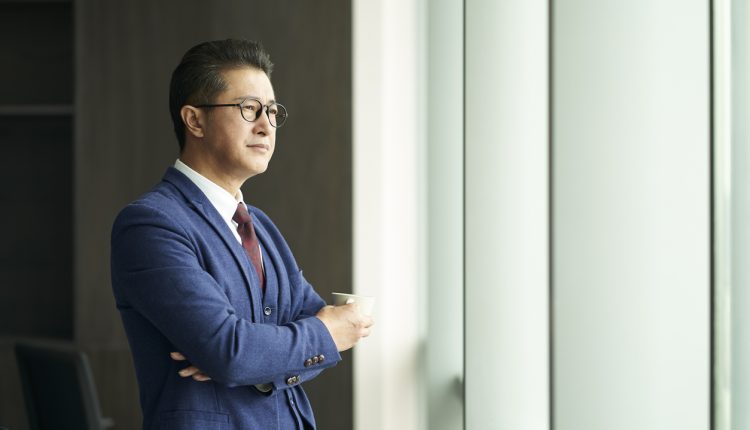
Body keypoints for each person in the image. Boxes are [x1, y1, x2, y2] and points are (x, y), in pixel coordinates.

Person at [110, 39, 373, 430]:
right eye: (249, 108)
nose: (266, 125)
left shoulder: (260, 225)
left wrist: (254, 359)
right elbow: (232, 352)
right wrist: (314, 336)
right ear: (194, 120)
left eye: (271, 110)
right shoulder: (150, 224)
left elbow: (244, 351)